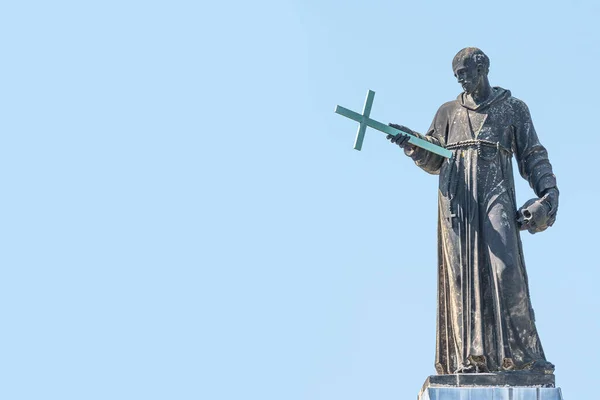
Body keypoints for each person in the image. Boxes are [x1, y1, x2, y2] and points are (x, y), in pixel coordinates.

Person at [388, 47, 559, 374]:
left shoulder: (512, 108)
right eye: (457, 76)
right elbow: (434, 156)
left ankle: (525, 356)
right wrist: (413, 146)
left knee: (505, 267)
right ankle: (471, 358)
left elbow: (533, 156)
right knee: (462, 275)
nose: (462, 80)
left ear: (483, 69)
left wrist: (548, 194)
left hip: (495, 191)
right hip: (457, 198)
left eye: (466, 72)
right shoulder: (447, 112)